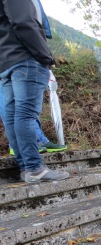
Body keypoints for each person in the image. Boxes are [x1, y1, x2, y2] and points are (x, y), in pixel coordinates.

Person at [0, 0, 69, 182]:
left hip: (6, 61)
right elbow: (23, 21)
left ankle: (27, 167)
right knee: (25, 115)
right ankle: (34, 167)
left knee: (13, 116)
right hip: (26, 58)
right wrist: (45, 55)